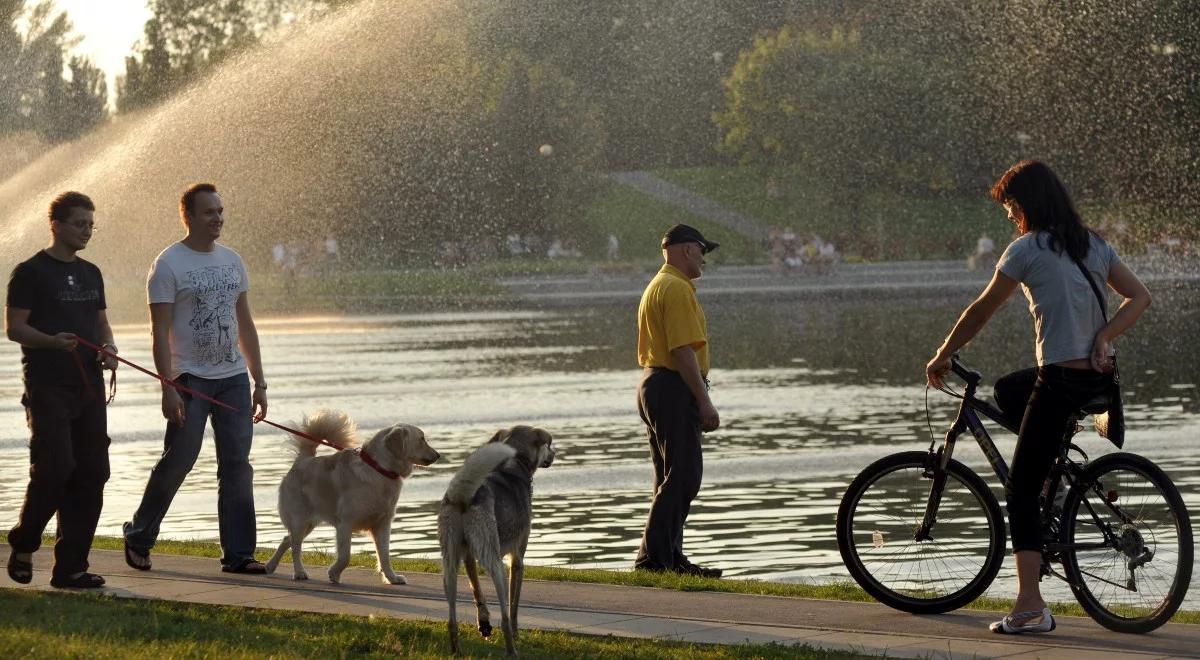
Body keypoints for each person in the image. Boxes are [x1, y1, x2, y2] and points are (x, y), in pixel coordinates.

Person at [925, 160, 1151, 634]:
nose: (1008, 214)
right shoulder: (1091, 242)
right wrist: (1105, 338)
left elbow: (983, 308)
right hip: (1095, 381)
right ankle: (1056, 474)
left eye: (1010, 205)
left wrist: (944, 354)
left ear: (1026, 203)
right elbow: (1139, 297)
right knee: (1008, 388)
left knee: (1019, 491)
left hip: (1060, 382)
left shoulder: (1026, 249)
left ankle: (1030, 606)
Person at [123, 183, 270, 574]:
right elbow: (158, 332)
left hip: (234, 378)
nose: (218, 218)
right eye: (209, 212)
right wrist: (167, 386)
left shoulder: (233, 261)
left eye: (221, 211)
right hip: (189, 379)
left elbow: (245, 323)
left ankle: (239, 555)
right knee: (180, 459)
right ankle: (139, 534)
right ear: (187, 216)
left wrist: (259, 381)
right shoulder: (168, 264)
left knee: (237, 465)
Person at [5, 191, 117, 589]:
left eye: (91, 223)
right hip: (48, 385)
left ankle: (71, 568)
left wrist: (109, 348)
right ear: (56, 224)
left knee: (93, 471)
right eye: (79, 223)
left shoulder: (91, 273)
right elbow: (15, 328)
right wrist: (52, 341)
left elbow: (100, 322)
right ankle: (24, 542)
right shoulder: (30, 272)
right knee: (56, 468)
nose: (87, 230)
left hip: (89, 385)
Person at [633, 223, 722, 578]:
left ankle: (669, 556)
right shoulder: (676, 288)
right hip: (672, 386)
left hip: (654, 384)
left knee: (669, 478)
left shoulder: (660, 284)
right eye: (702, 251)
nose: (704, 259)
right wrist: (704, 401)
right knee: (684, 476)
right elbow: (682, 350)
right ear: (687, 249)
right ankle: (653, 560)